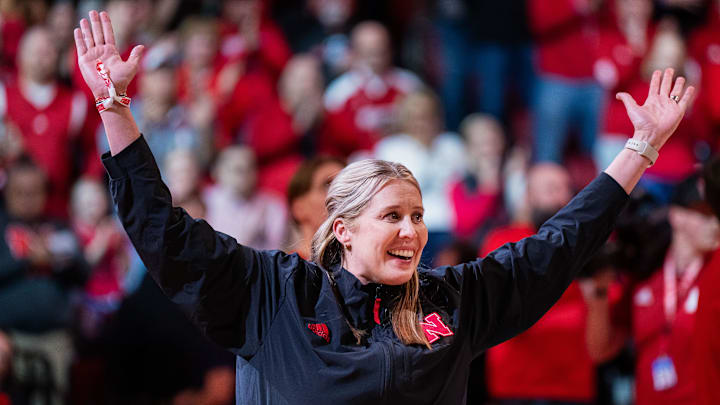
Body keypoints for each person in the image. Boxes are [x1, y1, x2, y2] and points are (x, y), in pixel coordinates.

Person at [74, 10, 694, 404]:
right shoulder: (272, 295)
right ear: (341, 230)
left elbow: (558, 247)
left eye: (418, 215)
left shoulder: (454, 300)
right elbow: (164, 233)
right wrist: (114, 108)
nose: (412, 230)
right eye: (393, 216)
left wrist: (639, 149)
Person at [287, 156, 345, 259]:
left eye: (346, 185)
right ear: (299, 208)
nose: (343, 193)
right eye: (328, 185)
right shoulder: (283, 272)